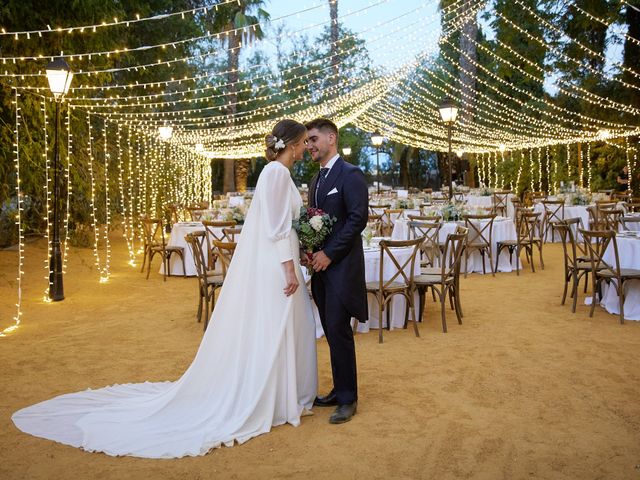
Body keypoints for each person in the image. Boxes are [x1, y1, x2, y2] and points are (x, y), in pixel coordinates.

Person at [11, 119, 318, 459]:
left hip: (279, 257)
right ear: (291, 144)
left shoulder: (277, 174)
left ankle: (281, 394)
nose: (306, 148)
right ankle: (271, 396)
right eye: (304, 142)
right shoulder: (276, 174)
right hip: (276, 264)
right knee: (276, 324)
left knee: (283, 324)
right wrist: (288, 267)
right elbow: (275, 227)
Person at [305, 118, 368, 424]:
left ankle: (348, 398)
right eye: (306, 141)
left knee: (339, 330)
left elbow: (357, 220)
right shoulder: (315, 181)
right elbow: (313, 221)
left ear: (331, 138)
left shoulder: (351, 174)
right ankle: (339, 388)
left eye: (314, 139)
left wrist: (329, 254)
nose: (309, 146)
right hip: (320, 270)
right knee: (330, 331)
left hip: (342, 267)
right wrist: (310, 251)